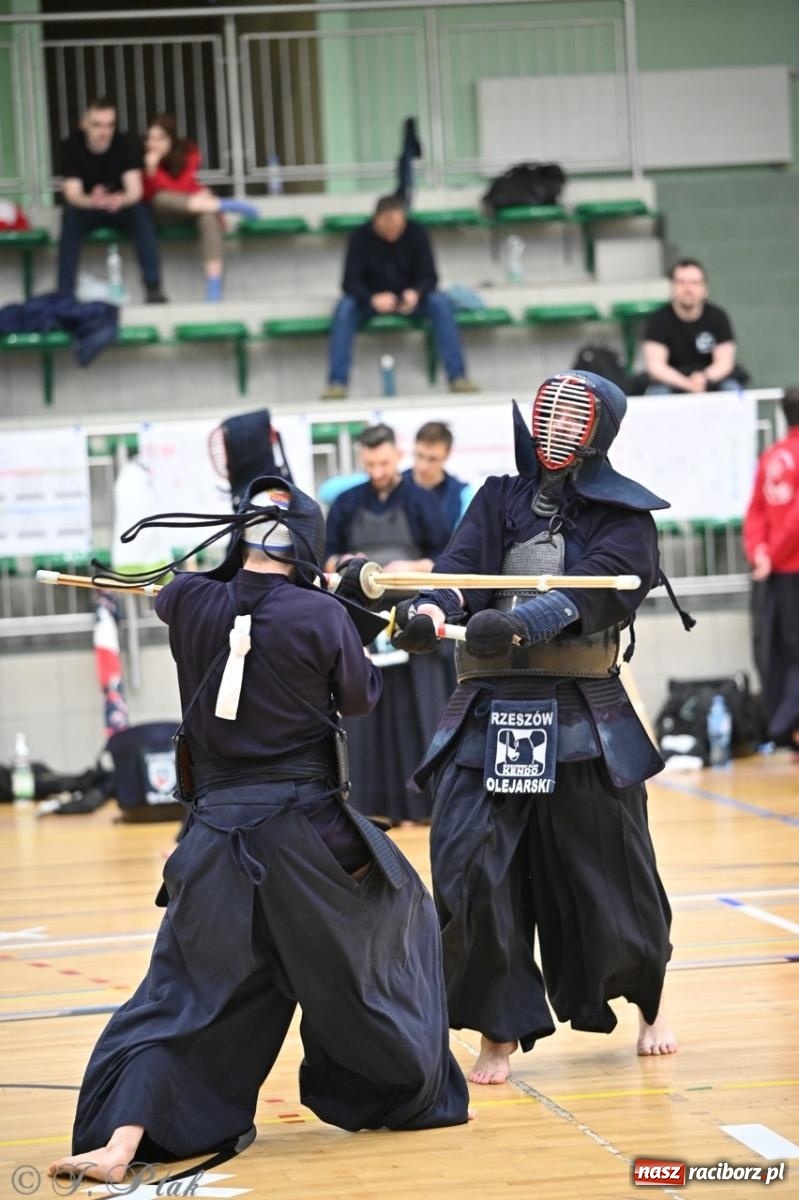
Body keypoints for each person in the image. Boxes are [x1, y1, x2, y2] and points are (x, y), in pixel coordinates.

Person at [48, 478, 470, 1185]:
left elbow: (196, 592)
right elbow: (360, 696)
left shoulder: (187, 599)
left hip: (212, 839)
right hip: (310, 839)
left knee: (179, 995)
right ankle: (397, 1087)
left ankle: (120, 1143)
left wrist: (326, 598)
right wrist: (350, 604)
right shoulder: (319, 615)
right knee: (402, 917)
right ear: (307, 543)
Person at [390, 371, 684, 1084]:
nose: (554, 429)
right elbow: (461, 570)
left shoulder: (625, 517)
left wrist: (521, 623)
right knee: (467, 866)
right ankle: (498, 1027)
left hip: (581, 709)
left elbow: (602, 586)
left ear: (597, 433)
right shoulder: (497, 496)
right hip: (490, 705)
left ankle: (649, 1002)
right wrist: (430, 610)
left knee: (610, 870)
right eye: (548, 413)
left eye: (572, 419)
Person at [324, 423, 453, 825]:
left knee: (418, 709)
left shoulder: (421, 502)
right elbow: (326, 559)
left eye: (383, 463)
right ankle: (366, 805)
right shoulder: (346, 503)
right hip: (362, 620)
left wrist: (409, 567)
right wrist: (347, 564)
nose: (377, 472)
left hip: (411, 616)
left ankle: (423, 805)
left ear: (397, 456)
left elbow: (445, 558)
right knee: (366, 712)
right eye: (370, 465)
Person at [321, 195, 479, 400]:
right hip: (370, 301)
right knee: (345, 308)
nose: (393, 232)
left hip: (412, 299)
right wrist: (372, 298)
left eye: (397, 226)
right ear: (376, 220)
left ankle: (458, 377)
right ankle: (337, 383)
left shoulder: (416, 233)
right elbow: (349, 282)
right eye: (387, 226)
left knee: (439, 303)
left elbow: (430, 277)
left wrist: (416, 293)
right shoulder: (360, 237)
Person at [58, 97, 166, 303]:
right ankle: (65, 293)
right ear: (84, 125)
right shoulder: (71, 145)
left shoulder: (125, 144)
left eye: (109, 125)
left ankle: (153, 288)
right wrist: (93, 201)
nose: (104, 131)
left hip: (119, 206)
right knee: (70, 215)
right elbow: (72, 194)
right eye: (97, 125)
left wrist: (119, 199)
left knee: (140, 212)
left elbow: (135, 191)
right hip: (87, 207)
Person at [143, 114, 259, 302]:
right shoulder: (143, 159)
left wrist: (204, 202)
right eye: (151, 138)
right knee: (161, 197)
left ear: (171, 139)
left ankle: (214, 286)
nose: (154, 144)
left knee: (208, 217)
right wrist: (151, 171)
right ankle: (225, 204)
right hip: (161, 214)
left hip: (190, 209)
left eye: (160, 138)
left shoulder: (189, 152)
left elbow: (185, 185)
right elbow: (149, 195)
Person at [743, 387, 799, 756]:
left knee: (782, 651)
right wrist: (775, 554)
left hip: (777, 572)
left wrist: (760, 552)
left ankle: (786, 727)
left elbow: (755, 512)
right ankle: (789, 728)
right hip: (789, 565)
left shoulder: (772, 455)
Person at [642, 258, 745, 394]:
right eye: (681, 282)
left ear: (705, 288)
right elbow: (656, 367)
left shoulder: (718, 317)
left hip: (710, 380)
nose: (688, 289)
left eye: (694, 283)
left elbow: (724, 363)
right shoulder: (658, 319)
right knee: (658, 393)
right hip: (673, 383)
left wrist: (703, 378)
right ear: (672, 287)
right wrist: (687, 384)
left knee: (732, 389)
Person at [402, 420, 473, 537]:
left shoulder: (462, 494)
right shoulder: (393, 485)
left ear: (447, 454)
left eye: (432, 459)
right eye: (419, 455)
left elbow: (464, 540)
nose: (423, 466)